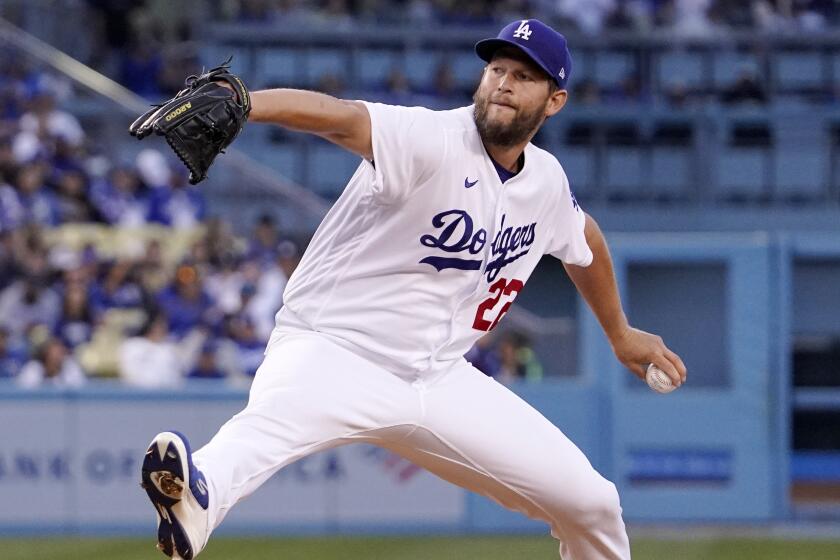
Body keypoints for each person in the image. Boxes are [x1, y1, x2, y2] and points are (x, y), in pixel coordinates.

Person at [140, 19, 686, 560]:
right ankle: (193, 500)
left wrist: (619, 332)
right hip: (334, 350)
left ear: (555, 100)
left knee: (592, 504)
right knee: (258, 436)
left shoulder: (545, 181)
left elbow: (581, 236)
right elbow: (342, 119)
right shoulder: (433, 139)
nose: (503, 82)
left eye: (524, 75)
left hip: (440, 377)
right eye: (496, 68)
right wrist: (247, 102)